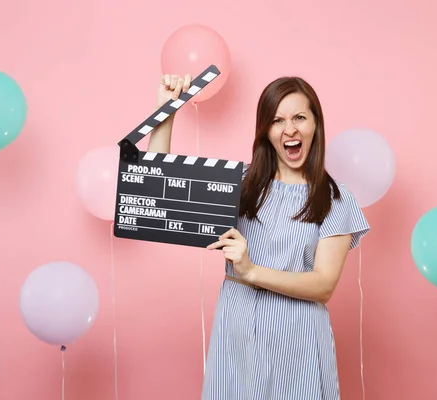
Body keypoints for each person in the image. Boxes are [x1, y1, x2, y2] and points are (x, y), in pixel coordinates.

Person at [150, 73, 371, 400]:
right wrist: (166, 112)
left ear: (315, 125)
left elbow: (324, 285)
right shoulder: (239, 182)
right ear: (266, 131)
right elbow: (159, 186)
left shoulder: (334, 197)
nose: (290, 130)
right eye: (277, 120)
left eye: (299, 117)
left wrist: (251, 270)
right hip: (236, 329)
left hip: (298, 337)